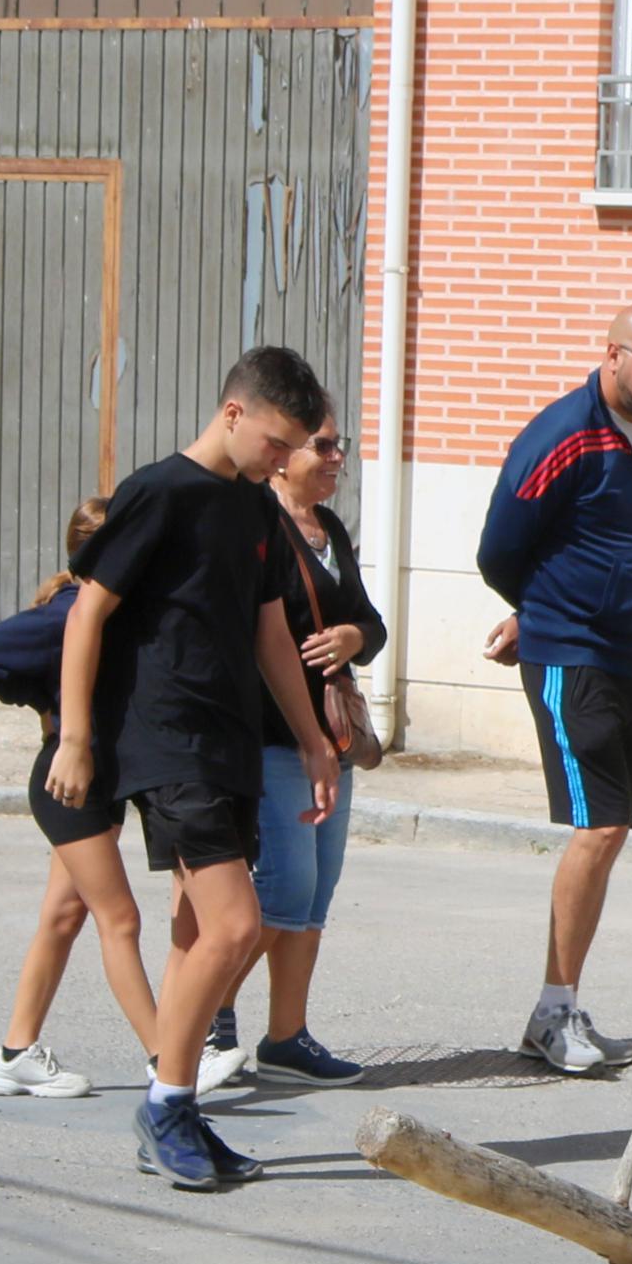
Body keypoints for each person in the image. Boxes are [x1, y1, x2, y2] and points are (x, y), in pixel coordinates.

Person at [51, 348, 342, 1191]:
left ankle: (174, 1106)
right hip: (164, 736)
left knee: (193, 937)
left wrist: (314, 740)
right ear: (234, 414)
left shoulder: (253, 507)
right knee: (235, 925)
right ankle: (166, 1102)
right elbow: (88, 614)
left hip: (230, 742)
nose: (287, 459)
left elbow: (270, 634)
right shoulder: (159, 492)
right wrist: (75, 737)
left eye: (300, 444)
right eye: (279, 440)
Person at [475, 305, 632, 1077]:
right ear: (613, 355)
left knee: (612, 829)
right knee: (595, 828)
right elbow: (499, 548)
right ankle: (552, 1009)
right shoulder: (562, 434)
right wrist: (540, 613)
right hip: (574, 656)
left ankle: (560, 1005)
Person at [0, 499, 163, 1099]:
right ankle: (170, 1059)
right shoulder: (68, 613)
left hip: (102, 781)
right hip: (66, 782)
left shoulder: (116, 610)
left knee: (63, 916)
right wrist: (45, 704)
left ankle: (14, 1054)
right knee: (121, 919)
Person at [240, 416, 388, 1082]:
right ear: (280, 458)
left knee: (314, 894)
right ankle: (206, 1018)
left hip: (332, 734)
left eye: (340, 446)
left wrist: (355, 638)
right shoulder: (257, 525)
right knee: (282, 888)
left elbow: (371, 620)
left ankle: (285, 1037)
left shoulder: (330, 531)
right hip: (272, 735)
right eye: (323, 446)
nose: (337, 458)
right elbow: (253, 630)